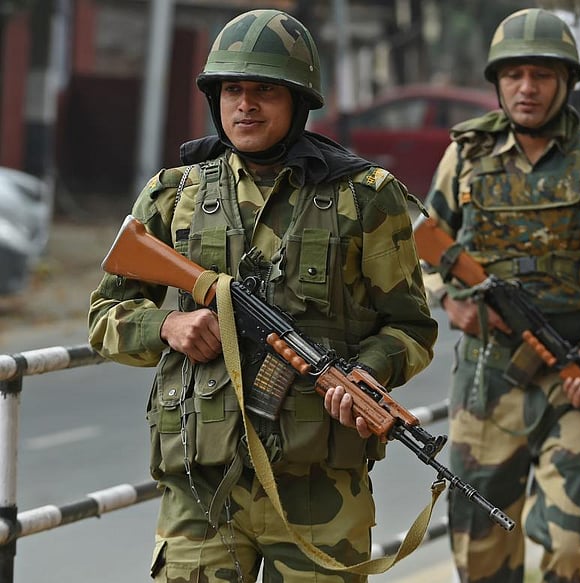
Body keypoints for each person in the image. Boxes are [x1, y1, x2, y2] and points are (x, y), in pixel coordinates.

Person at [88, 9, 437, 582]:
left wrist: (370, 373)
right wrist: (168, 328)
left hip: (319, 492)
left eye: (265, 90)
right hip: (201, 494)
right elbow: (104, 316)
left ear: (298, 100)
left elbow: (411, 329)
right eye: (232, 90)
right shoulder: (174, 192)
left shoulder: (365, 197)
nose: (245, 105)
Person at [417, 8, 580, 582]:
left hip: (571, 378)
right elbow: (425, 246)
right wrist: (449, 299)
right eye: (514, 75)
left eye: (542, 75)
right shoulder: (466, 156)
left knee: (574, 549)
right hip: (486, 382)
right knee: (480, 554)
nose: (527, 88)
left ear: (567, 81)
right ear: (498, 82)